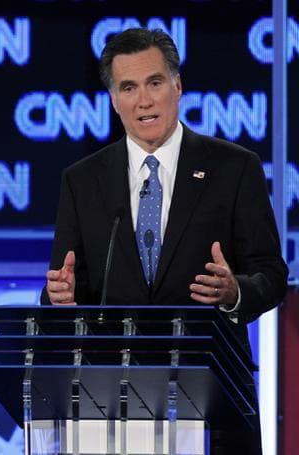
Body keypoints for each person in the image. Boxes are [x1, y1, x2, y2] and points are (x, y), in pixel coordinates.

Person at [43, 28, 287, 454]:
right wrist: (58, 299)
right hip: (112, 403)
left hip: (215, 400)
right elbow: (64, 286)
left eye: (155, 83)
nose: (144, 100)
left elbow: (271, 275)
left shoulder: (234, 168)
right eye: (128, 88)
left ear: (177, 86)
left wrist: (234, 293)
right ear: (115, 101)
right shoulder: (83, 181)